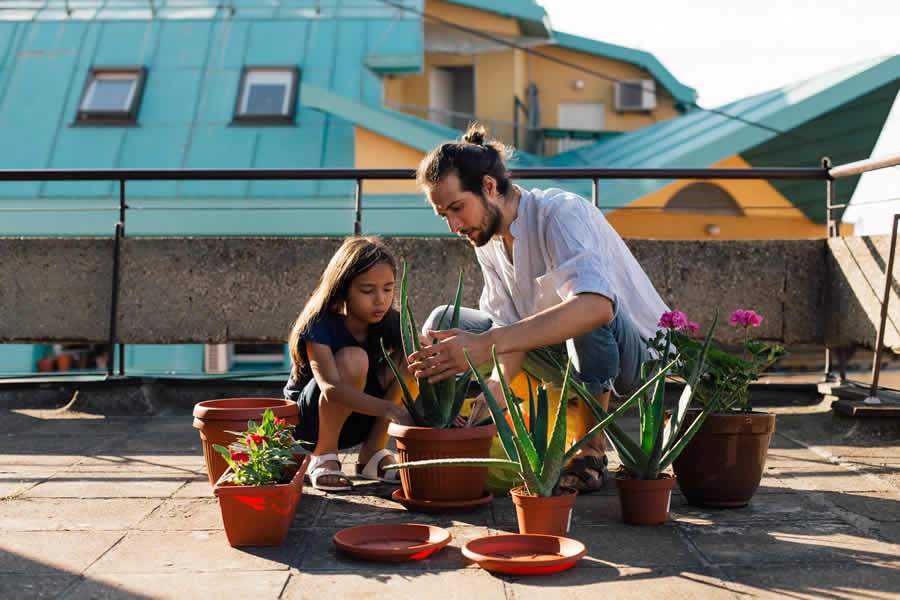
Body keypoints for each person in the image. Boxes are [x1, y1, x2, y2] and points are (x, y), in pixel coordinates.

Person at [408, 123, 669, 493]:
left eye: (456, 208)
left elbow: (596, 308)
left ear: (488, 187)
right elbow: (507, 331)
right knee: (445, 322)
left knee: (584, 306)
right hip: (560, 358)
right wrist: (492, 396)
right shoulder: (488, 241)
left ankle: (591, 449)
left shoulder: (560, 213)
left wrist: (487, 343)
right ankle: (452, 431)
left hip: (635, 362)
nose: (453, 225)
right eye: (444, 216)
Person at [284, 236, 413, 492]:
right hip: (312, 421)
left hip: (361, 416)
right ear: (343, 289)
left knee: (412, 359)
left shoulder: (390, 322)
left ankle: (372, 453)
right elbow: (331, 388)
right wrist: (391, 409)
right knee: (354, 359)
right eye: (367, 290)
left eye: (388, 289)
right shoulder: (320, 324)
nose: (380, 300)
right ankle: (324, 456)